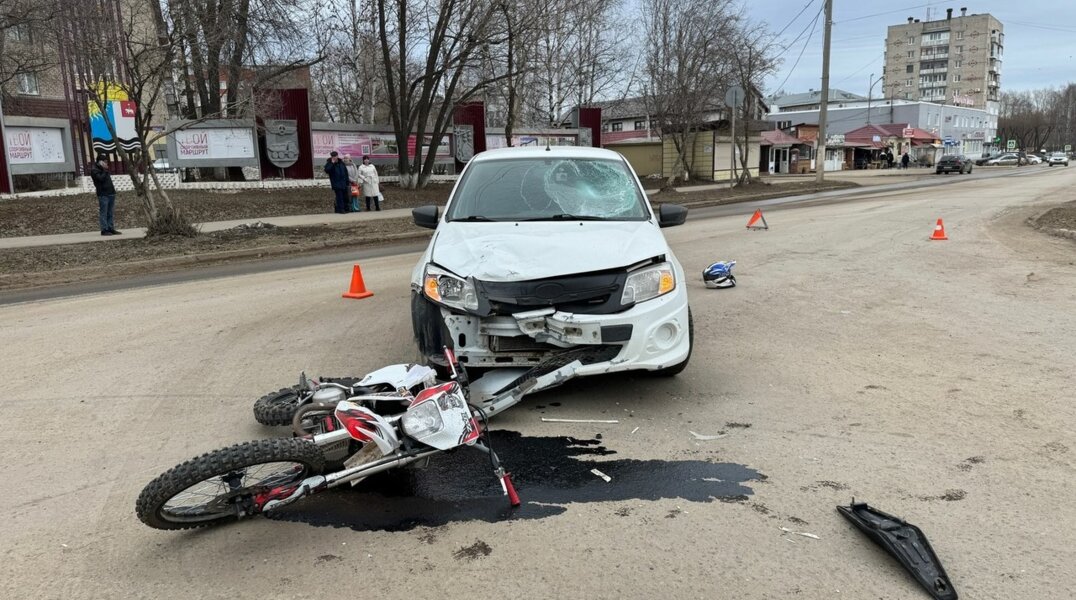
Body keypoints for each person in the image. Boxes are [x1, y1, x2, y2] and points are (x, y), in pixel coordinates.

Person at [89, 154, 121, 236]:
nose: (107, 163)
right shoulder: (94, 170)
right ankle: (104, 229)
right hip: (103, 194)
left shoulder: (104, 170)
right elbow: (100, 179)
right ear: (100, 162)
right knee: (104, 212)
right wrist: (104, 170)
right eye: (105, 162)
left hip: (111, 192)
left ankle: (110, 228)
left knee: (110, 212)